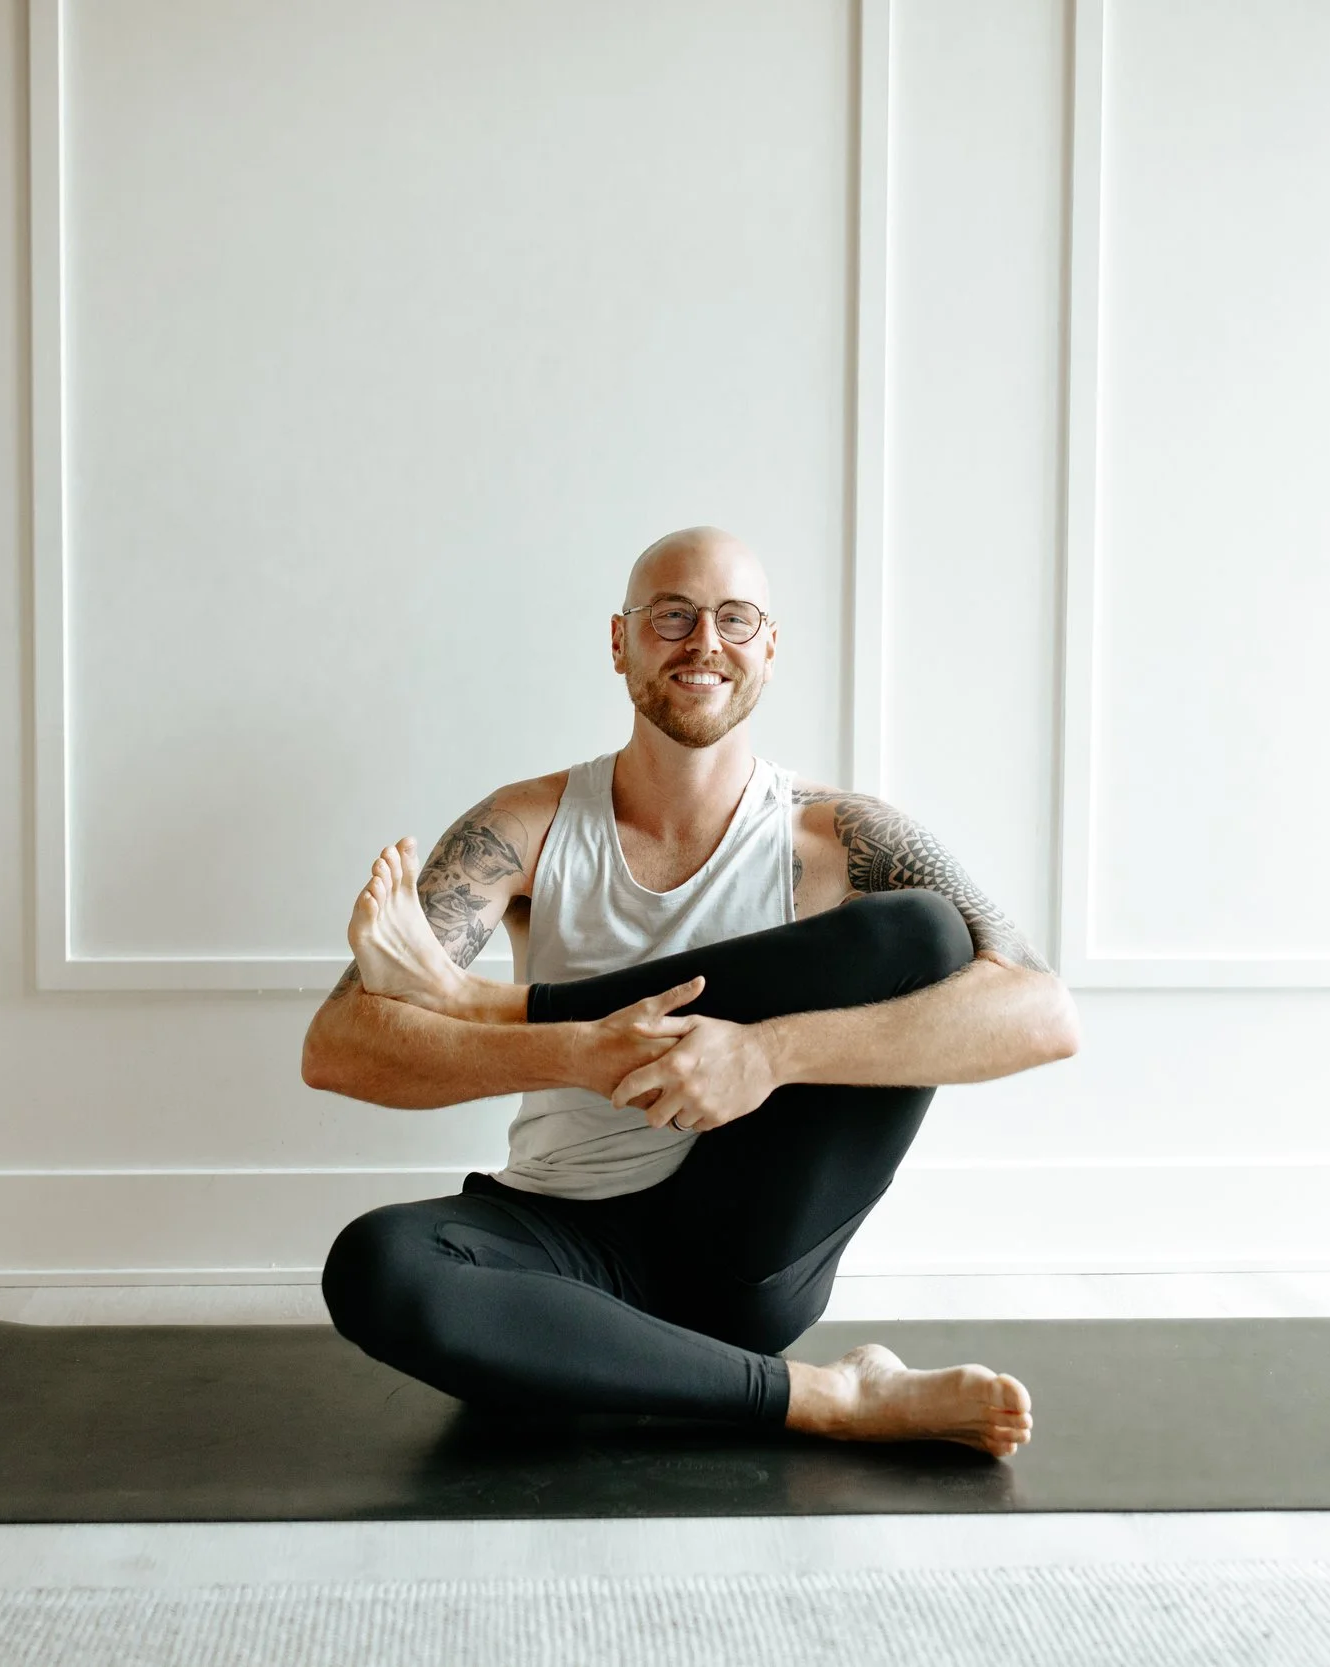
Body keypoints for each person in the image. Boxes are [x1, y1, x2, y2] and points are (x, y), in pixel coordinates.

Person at [302, 526, 1081, 1457]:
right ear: (620, 641)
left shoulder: (837, 837)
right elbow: (339, 1045)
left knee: (923, 932)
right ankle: (828, 1396)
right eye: (672, 615)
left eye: (734, 618)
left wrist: (765, 1054)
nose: (704, 642)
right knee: (375, 1263)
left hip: (742, 1242)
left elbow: (1043, 1012)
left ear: (769, 646)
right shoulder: (526, 825)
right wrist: (578, 1053)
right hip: (554, 1238)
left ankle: (483, 998)